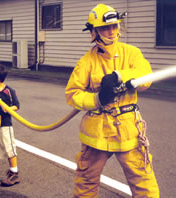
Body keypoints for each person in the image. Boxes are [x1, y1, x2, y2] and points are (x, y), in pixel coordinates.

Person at [65, 4, 159, 197]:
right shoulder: (86, 62)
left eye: (114, 26)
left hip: (128, 130)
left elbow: (146, 77)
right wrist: (97, 98)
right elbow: (72, 94)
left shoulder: (131, 53)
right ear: (94, 32)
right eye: (105, 27)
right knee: (86, 182)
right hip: (97, 133)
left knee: (144, 183)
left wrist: (118, 76)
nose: (110, 31)